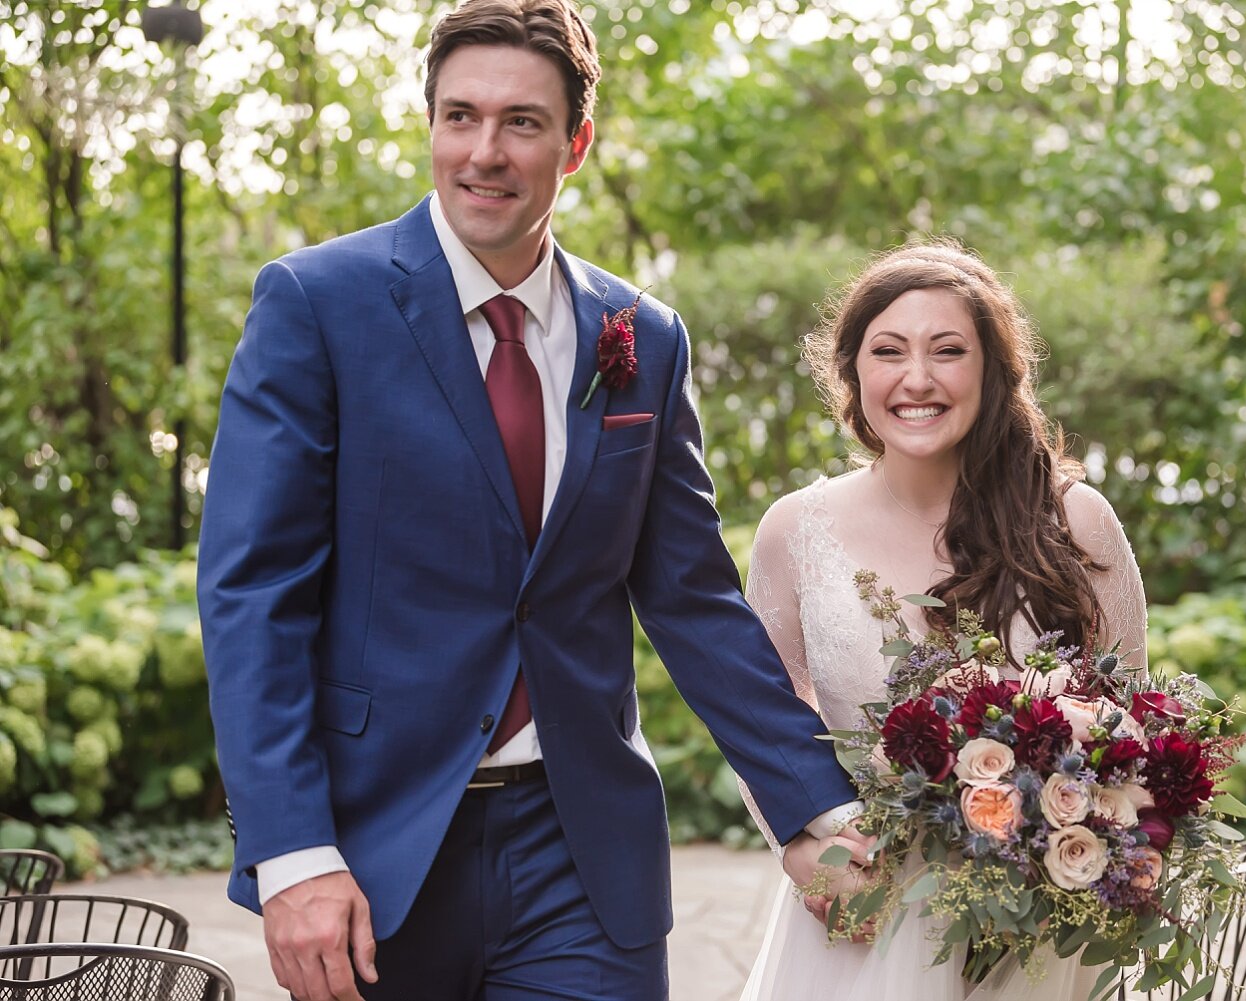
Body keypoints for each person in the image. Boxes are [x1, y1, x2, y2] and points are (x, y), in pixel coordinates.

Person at [196, 2, 869, 999]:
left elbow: (690, 597)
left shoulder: (645, 336)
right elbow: (253, 595)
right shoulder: (316, 306)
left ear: (576, 143)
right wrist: (292, 850)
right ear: (428, 125)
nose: (484, 152)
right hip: (377, 848)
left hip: (582, 851)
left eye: (521, 122)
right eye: (459, 116)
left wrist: (821, 810)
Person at [737, 241, 1149, 1000]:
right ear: (852, 371)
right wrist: (798, 846)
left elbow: (1134, 728)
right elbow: (764, 721)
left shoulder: (1075, 521)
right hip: (865, 908)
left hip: (1043, 927)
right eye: (888, 351)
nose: (916, 379)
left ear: (993, 371)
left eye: (948, 350)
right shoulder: (794, 531)